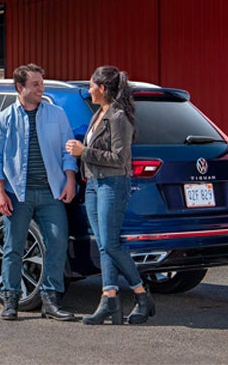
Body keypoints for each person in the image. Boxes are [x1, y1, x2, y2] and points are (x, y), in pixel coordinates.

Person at [65, 65, 155, 325]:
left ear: (102, 88)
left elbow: (120, 158)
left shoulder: (118, 117)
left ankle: (141, 295)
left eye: (92, 85)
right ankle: (109, 301)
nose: (88, 90)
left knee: (111, 244)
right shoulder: (100, 113)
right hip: (94, 184)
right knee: (104, 245)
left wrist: (84, 152)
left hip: (113, 184)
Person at [0, 63, 78, 321]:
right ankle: (11, 300)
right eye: (35, 84)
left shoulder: (57, 115)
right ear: (20, 87)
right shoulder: (3, 119)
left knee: (58, 243)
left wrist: (70, 180)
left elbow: (67, 150)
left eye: (42, 83)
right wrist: (0, 192)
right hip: (18, 193)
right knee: (13, 247)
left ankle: (50, 301)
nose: (41, 88)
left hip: (52, 192)